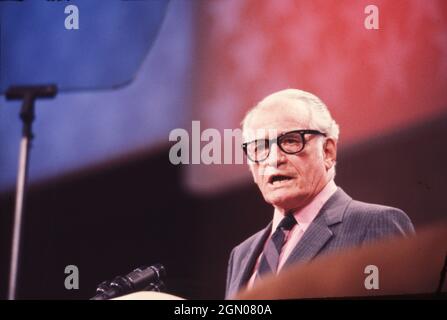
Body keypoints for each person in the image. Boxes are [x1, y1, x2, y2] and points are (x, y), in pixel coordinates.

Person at [225, 89, 415, 299]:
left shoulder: (374, 225)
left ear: (327, 151)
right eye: (260, 147)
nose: (273, 159)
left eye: (290, 141)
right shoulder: (242, 254)